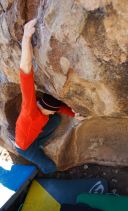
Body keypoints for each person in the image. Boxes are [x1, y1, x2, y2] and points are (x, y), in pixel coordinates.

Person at [15, 19, 84, 174]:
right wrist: (26, 38)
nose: (54, 111)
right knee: (50, 166)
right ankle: (48, 176)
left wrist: (74, 114)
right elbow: (25, 71)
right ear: (45, 108)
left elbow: (57, 107)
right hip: (25, 147)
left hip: (32, 135)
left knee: (56, 120)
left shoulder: (44, 107)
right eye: (52, 110)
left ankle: (39, 142)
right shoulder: (29, 111)